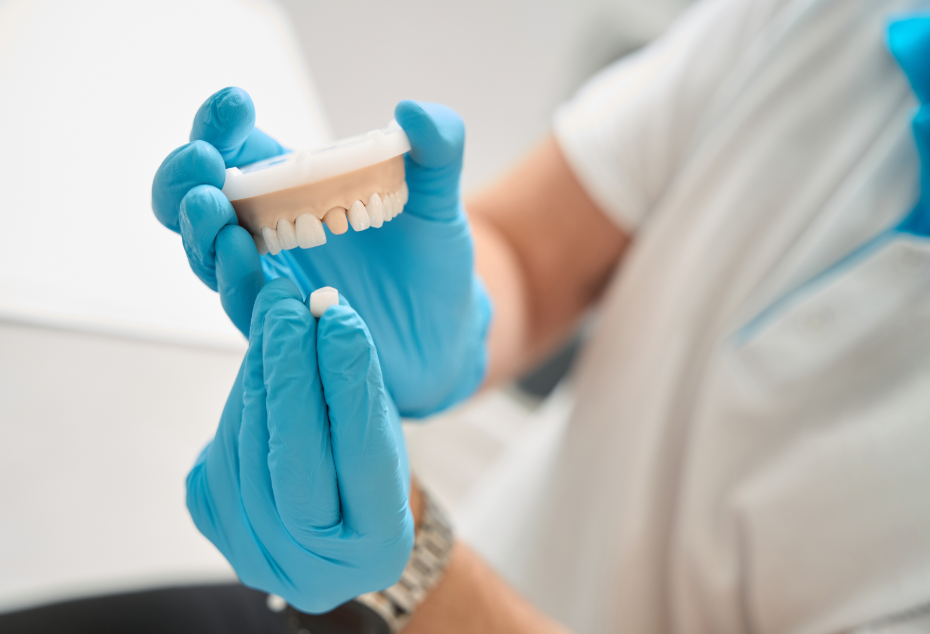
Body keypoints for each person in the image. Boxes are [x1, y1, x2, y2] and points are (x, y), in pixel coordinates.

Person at [150, 0, 930, 632]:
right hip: (438, 578)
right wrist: (465, 316)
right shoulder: (835, 19)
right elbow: (534, 251)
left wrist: (416, 575)